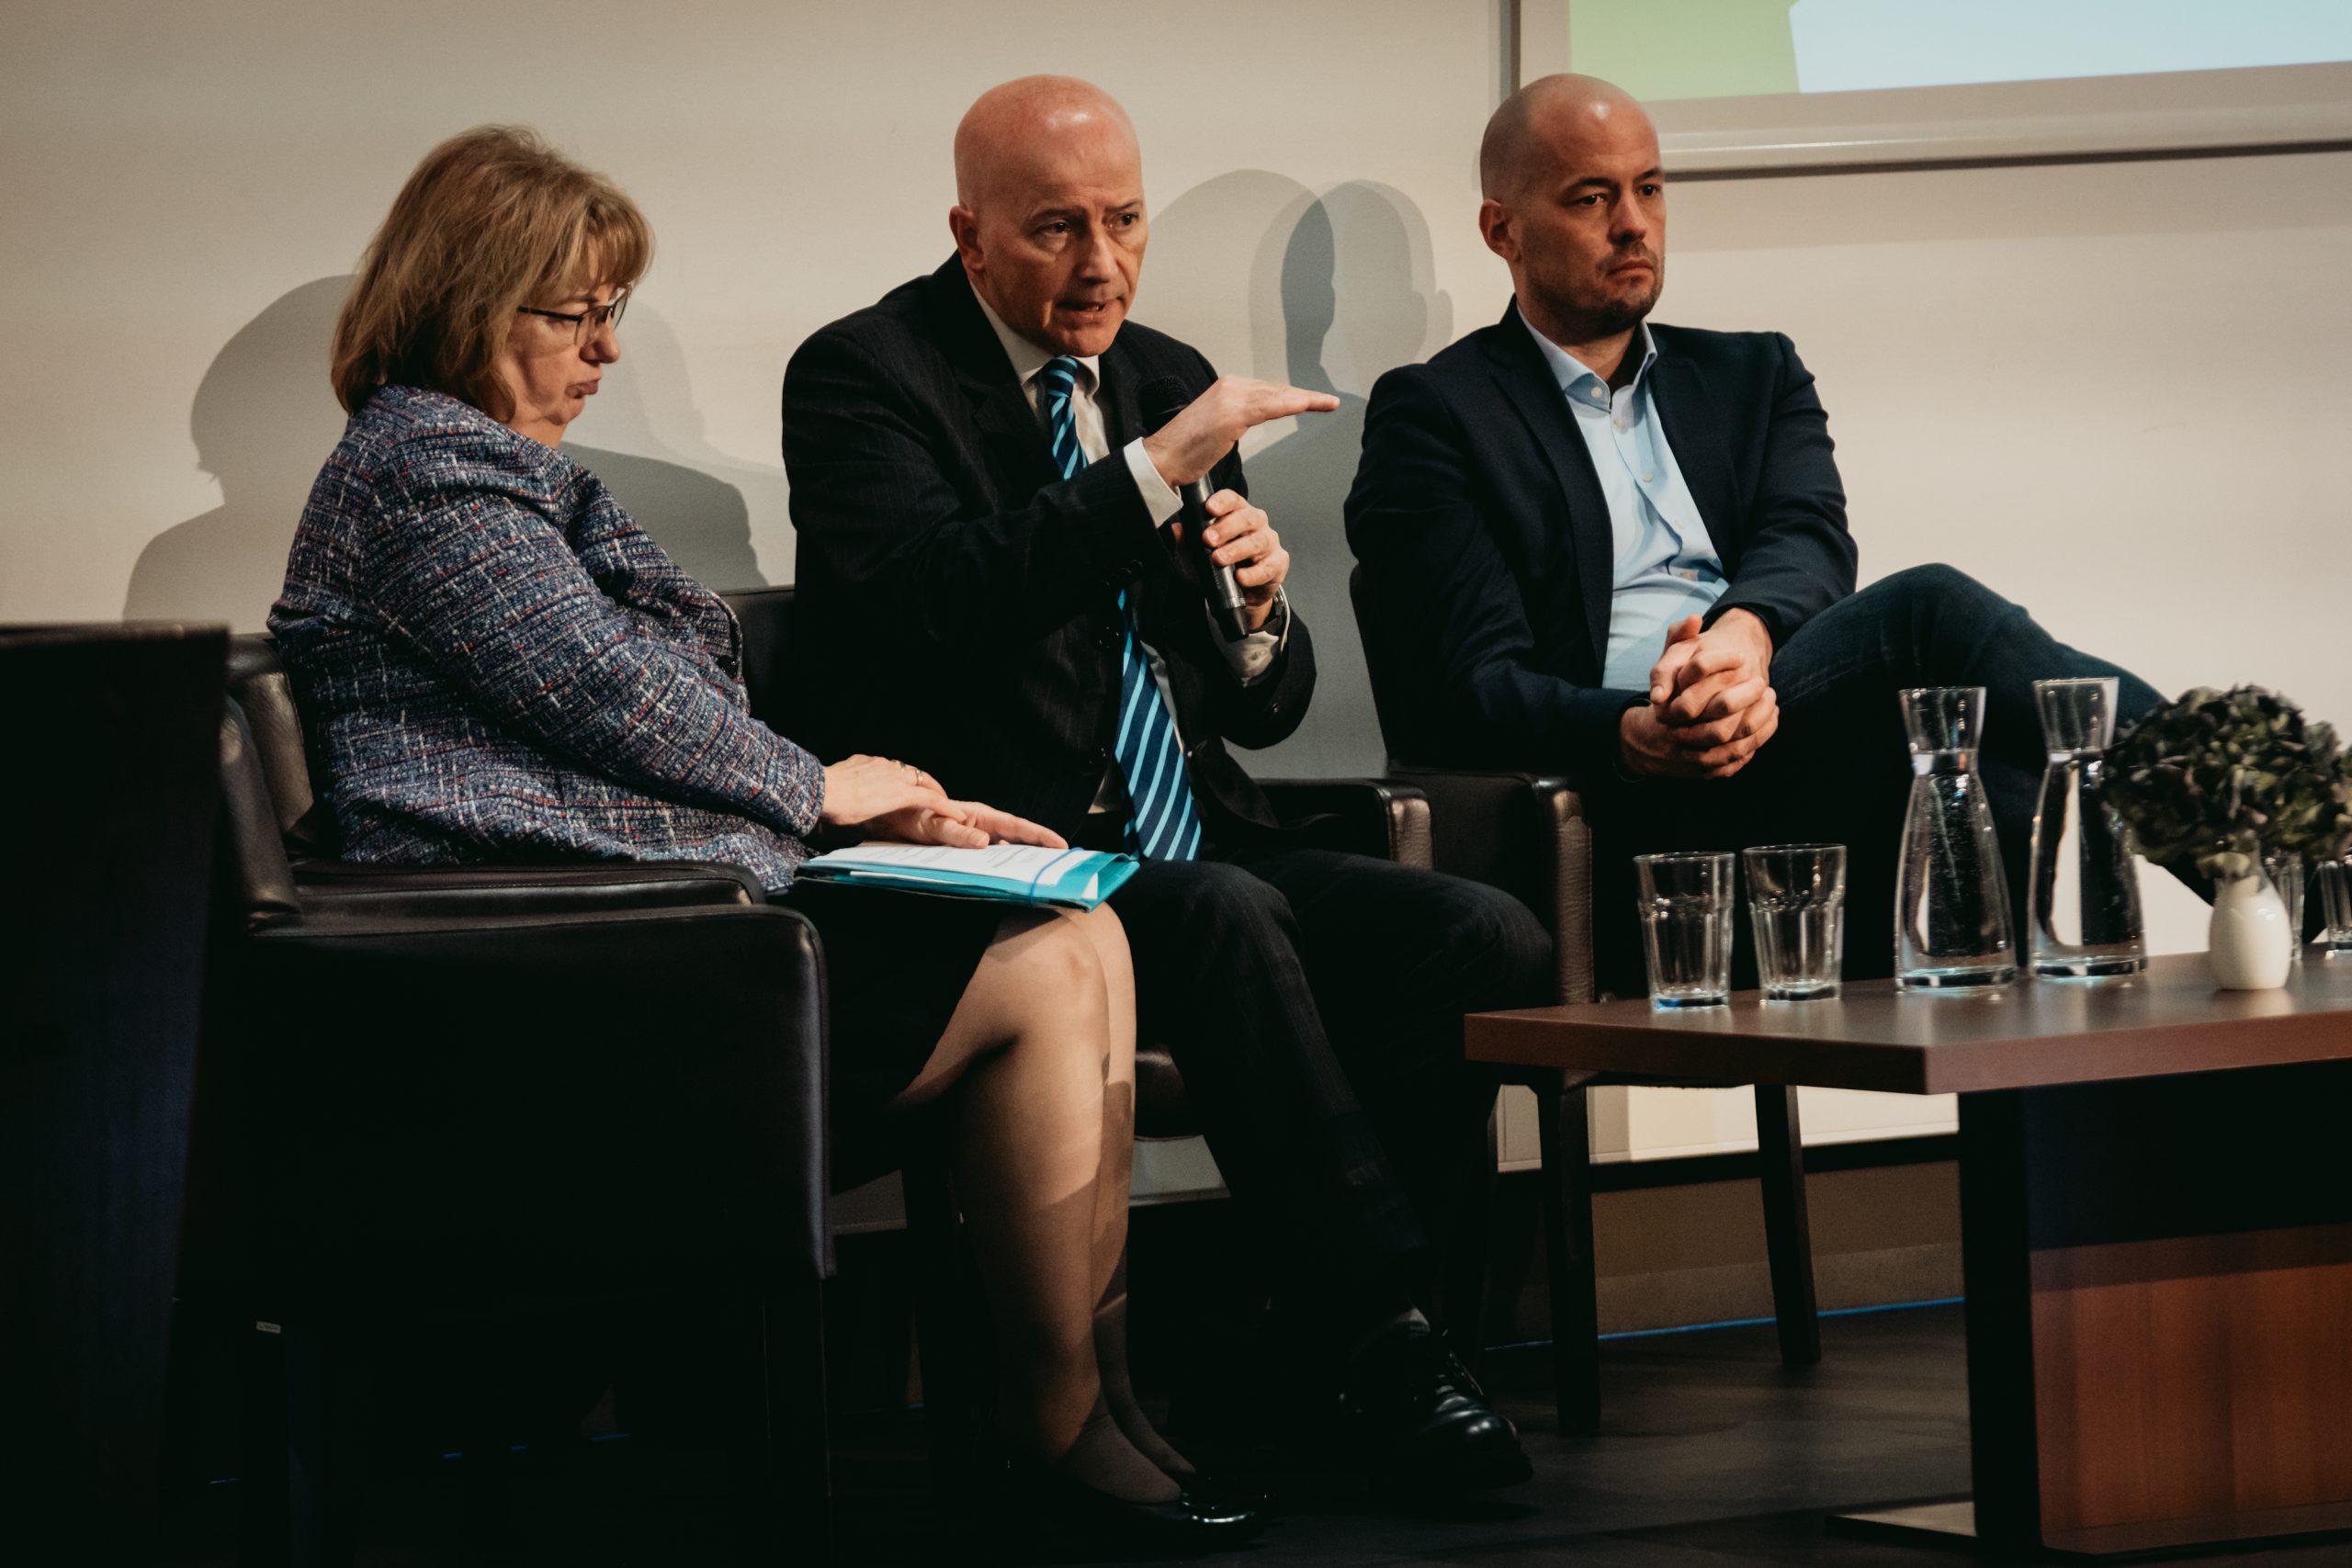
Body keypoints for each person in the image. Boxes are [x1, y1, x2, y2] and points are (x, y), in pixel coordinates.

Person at [268, 126, 1258, 1553]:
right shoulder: (425, 474)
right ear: (470, 306)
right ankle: (1053, 1423)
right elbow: (609, 694)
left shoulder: (512, 474)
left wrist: (865, 804)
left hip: (657, 925)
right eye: (574, 315)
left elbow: (652, 693)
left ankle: (1098, 1395)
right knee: (1044, 963)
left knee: (1078, 922)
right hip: (544, 972)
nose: (606, 349)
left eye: (613, 311)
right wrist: (822, 787)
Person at [782, 76, 1552, 1495]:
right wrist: (1146, 478)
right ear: (967, 232)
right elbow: (936, 601)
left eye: (1125, 222)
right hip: (1011, 870)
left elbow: (1262, 702)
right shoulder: (864, 375)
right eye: (1056, 229)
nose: (1102, 264)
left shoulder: (1161, 375)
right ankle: (1387, 1339)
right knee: (1220, 914)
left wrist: (1257, 611)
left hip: (1198, 829)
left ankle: (1292, 1335)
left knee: (1477, 934)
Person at [1346, 74, 2178, 992]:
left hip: (1779, 727)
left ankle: (2049, 1073)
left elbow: (1807, 538)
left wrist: (1740, 639)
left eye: (1649, 188)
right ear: (1502, 230)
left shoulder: (1752, 374)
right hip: (1621, 793)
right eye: (1591, 199)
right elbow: (1467, 686)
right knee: (1929, 611)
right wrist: (1631, 731)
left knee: (1985, 758)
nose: (1634, 224)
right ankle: (2232, 798)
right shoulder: (1438, 413)